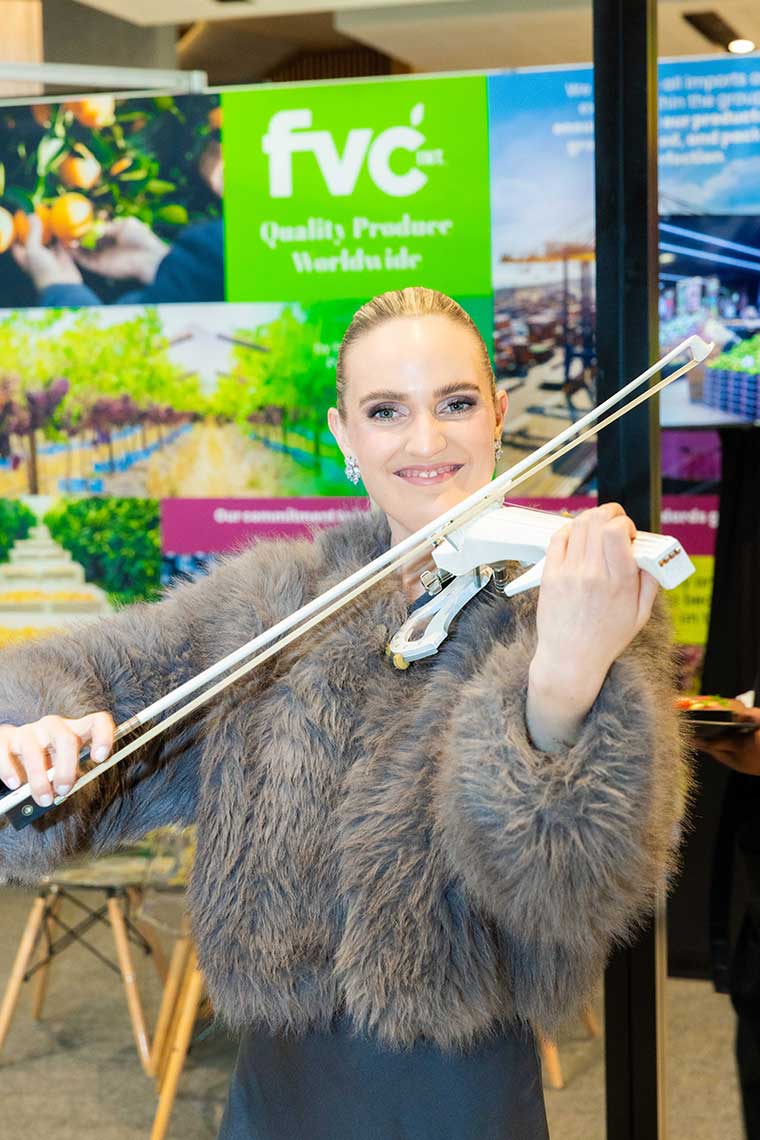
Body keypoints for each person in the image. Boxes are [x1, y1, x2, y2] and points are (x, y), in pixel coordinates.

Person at [0, 287, 686, 1140]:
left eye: (456, 404)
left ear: (499, 415)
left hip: (460, 1094)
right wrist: (36, 729)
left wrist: (564, 679)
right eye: (386, 411)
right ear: (344, 436)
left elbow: (576, 890)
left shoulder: (576, 600)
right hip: (276, 1084)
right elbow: (81, 681)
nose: (426, 441)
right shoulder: (270, 602)